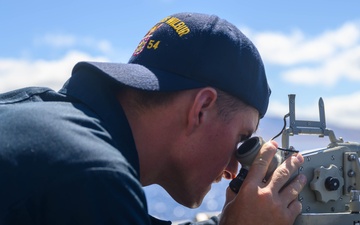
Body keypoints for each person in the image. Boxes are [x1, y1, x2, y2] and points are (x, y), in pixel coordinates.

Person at [0, 12, 307, 225]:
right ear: (201, 107)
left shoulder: (43, 116)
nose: (233, 170)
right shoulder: (94, 176)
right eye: (242, 140)